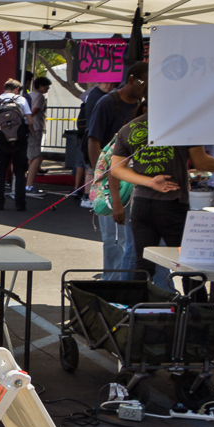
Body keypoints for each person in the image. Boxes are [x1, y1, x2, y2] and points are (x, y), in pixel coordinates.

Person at [109, 111, 214, 349]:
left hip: (142, 205)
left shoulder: (130, 128)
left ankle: (132, 332)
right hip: (171, 205)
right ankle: (207, 334)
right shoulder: (182, 125)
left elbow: (115, 169)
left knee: (142, 268)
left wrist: (147, 182)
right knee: (191, 269)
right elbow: (202, 162)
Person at [89, 62, 147, 280]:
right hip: (111, 179)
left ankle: (124, 284)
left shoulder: (141, 105)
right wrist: (101, 180)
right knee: (115, 239)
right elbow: (93, 140)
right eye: (144, 83)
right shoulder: (108, 102)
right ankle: (111, 284)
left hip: (133, 182)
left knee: (131, 240)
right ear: (131, 80)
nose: (146, 88)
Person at [0, 79, 33, 211]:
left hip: (0, 143)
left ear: (5, 88)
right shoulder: (22, 101)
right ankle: (20, 204)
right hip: (19, 142)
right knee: (20, 173)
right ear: (17, 89)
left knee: (0, 173)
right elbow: (29, 121)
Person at [75, 81, 116, 208]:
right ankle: (88, 197)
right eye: (107, 83)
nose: (109, 86)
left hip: (92, 136)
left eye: (112, 84)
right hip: (93, 137)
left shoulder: (93, 95)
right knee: (92, 169)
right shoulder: (98, 97)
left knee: (92, 169)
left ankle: (88, 196)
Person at [26, 77, 51, 191]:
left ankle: (33, 173)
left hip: (29, 127)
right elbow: (34, 111)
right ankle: (29, 183)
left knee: (30, 153)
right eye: (46, 86)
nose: (47, 88)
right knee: (36, 155)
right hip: (36, 126)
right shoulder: (40, 97)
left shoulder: (29, 95)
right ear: (41, 85)